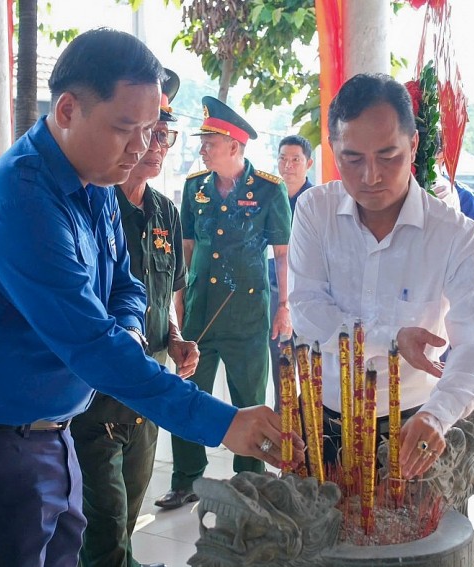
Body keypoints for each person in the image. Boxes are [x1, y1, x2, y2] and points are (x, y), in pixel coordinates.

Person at [0, 28, 301, 567]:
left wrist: (130, 333)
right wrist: (225, 424)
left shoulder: (96, 182)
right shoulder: (20, 201)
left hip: (49, 437)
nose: (139, 148)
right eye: (124, 129)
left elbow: (126, 285)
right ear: (67, 109)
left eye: (150, 130)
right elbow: (91, 345)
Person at [288, 73, 474, 480]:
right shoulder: (316, 211)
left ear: (414, 144)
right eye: (352, 159)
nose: (371, 176)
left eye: (388, 156)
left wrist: (439, 417)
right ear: (332, 149)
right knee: (324, 538)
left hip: (415, 427)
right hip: (326, 422)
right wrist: (391, 339)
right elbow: (307, 312)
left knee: (419, 540)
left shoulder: (456, 236)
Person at [70, 68, 197, 567]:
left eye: (164, 134)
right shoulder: (92, 204)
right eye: (146, 131)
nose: (155, 145)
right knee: (103, 518)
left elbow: (165, 295)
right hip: (97, 392)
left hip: (151, 385)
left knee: (129, 509)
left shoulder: (166, 211)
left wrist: (179, 338)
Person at [154, 96, 293, 510]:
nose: (202, 148)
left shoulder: (270, 190)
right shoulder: (195, 187)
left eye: (209, 141)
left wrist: (284, 305)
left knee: (249, 397)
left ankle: (249, 480)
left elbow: (283, 254)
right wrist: (177, 305)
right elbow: (186, 247)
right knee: (187, 392)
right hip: (199, 310)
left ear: (234, 145)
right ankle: (186, 478)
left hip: (248, 315)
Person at [267, 135, 314, 410]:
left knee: (310, 368)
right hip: (275, 293)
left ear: (308, 163)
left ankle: (313, 433)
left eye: (295, 159)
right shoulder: (271, 198)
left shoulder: (317, 201)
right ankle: (283, 428)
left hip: (309, 295)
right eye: (283, 159)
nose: (288, 166)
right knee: (281, 367)